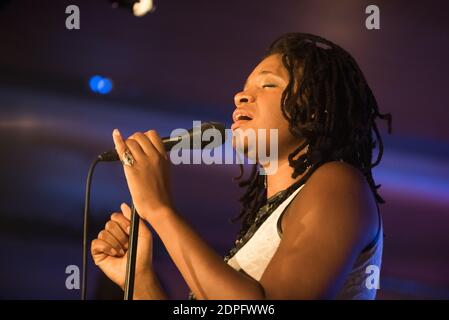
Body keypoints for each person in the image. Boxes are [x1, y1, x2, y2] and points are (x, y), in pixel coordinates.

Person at [91, 33, 392, 299]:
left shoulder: (339, 183)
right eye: (245, 87)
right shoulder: (274, 218)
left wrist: (159, 211)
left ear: (315, 111)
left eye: (268, 84)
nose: (241, 96)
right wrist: (139, 278)